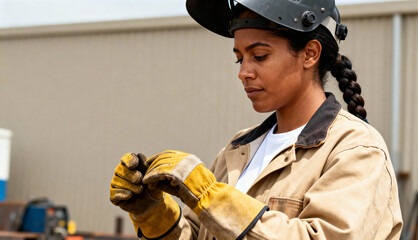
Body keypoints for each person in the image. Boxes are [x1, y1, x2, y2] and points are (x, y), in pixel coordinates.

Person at [109, 0, 403, 239]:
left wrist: (212, 198)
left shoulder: (356, 150)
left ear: (310, 54)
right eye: (240, 58)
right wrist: (154, 215)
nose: (244, 72)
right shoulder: (238, 149)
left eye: (259, 56)